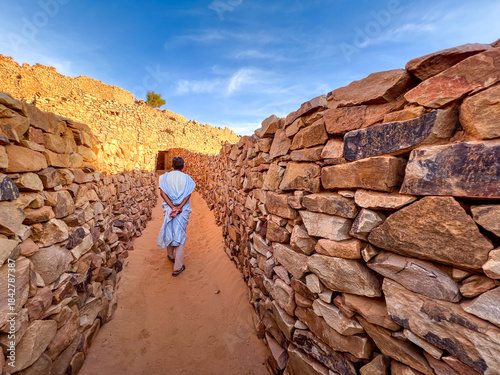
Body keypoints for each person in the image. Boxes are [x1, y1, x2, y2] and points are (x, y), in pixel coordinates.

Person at [156, 157, 196, 277]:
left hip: (169, 209)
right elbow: (188, 195)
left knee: (169, 229)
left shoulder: (164, 177)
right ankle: (177, 267)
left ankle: (171, 256)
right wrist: (179, 208)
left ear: (172, 165)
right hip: (182, 211)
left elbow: (162, 193)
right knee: (180, 236)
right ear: (183, 166)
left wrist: (172, 207)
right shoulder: (187, 179)